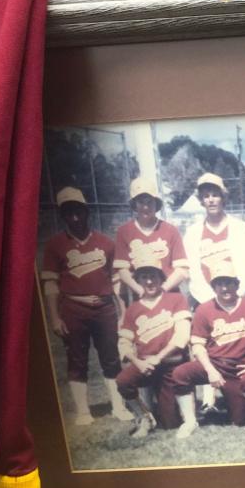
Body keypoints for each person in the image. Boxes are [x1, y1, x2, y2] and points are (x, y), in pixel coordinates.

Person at [41, 187, 132, 424]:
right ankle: (83, 411)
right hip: (73, 308)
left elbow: (115, 282)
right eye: (68, 212)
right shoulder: (55, 245)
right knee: (77, 359)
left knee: (111, 357)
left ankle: (118, 406)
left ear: (86, 211)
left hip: (104, 308)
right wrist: (54, 317)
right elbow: (50, 284)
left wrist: (122, 312)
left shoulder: (105, 242)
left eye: (78, 211)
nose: (74, 217)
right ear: (63, 215)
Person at [171, 261, 245, 438]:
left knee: (240, 419)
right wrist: (210, 370)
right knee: (181, 373)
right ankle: (189, 421)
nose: (224, 288)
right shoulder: (204, 309)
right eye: (219, 284)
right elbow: (198, 345)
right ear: (213, 287)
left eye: (228, 282)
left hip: (240, 368)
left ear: (237, 284)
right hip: (214, 363)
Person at [115, 259, 192, 437]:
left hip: (170, 365)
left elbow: (182, 336)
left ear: (160, 278)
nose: (149, 282)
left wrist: (159, 357)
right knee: (123, 381)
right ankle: (144, 417)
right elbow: (124, 342)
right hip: (146, 366)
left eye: (153, 277)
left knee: (170, 424)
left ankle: (169, 414)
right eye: (144, 277)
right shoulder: (133, 309)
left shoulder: (176, 299)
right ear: (139, 281)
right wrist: (137, 362)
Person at [182, 172, 245, 305]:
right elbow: (193, 272)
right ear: (201, 201)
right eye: (206, 196)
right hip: (205, 302)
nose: (211, 200)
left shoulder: (241, 228)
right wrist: (210, 300)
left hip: (239, 299)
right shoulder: (192, 233)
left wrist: (235, 295)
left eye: (215, 195)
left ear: (223, 197)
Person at [113, 177, 189, 298]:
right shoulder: (124, 231)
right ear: (134, 204)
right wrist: (140, 291)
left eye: (149, 202)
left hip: (168, 294)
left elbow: (182, 269)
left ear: (156, 203)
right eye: (141, 202)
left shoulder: (170, 230)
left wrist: (162, 289)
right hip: (140, 297)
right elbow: (122, 270)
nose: (145, 207)